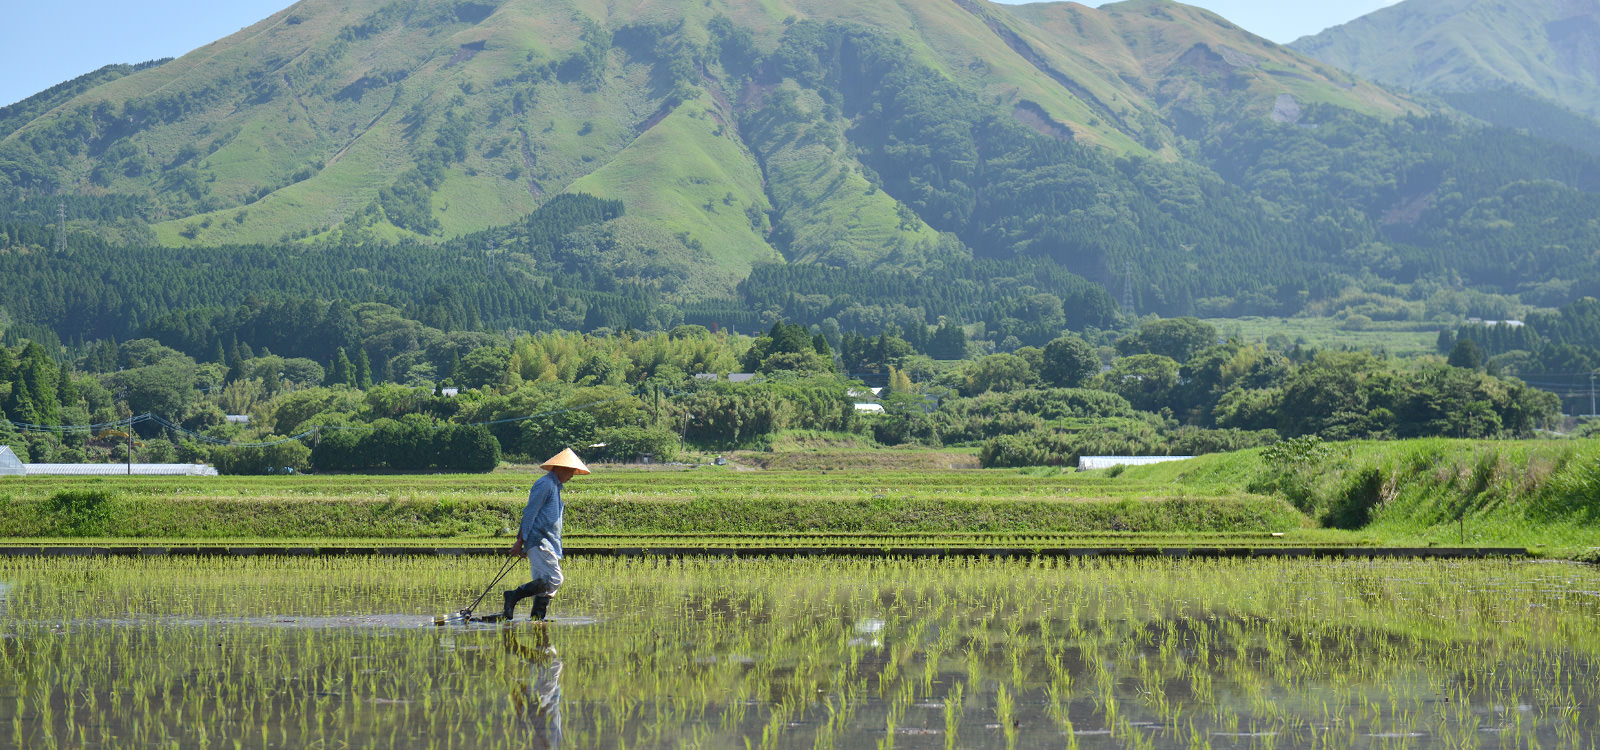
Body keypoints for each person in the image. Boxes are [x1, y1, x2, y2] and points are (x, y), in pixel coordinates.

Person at [503, 447, 589, 622]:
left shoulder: (555, 488)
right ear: (559, 468)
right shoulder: (545, 484)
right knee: (554, 579)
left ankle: (537, 619)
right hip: (540, 540)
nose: (572, 475)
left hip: (547, 541)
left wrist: (526, 543)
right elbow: (530, 513)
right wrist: (521, 541)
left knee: (544, 583)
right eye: (570, 471)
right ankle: (513, 595)